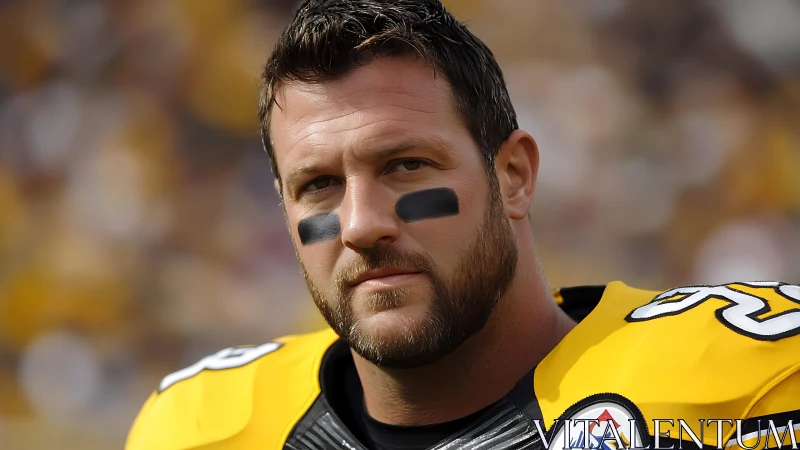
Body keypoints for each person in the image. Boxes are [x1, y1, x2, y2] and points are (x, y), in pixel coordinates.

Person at [126, 1, 800, 449]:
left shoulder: (745, 384)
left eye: (406, 166)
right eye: (319, 185)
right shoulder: (199, 427)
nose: (361, 225)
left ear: (513, 177)